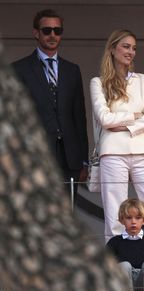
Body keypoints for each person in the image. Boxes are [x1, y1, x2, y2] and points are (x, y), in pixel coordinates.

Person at [90, 29, 144, 262]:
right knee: (114, 216)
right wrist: (135, 117)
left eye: (133, 47)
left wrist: (124, 123)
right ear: (112, 49)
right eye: (126, 46)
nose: (131, 51)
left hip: (143, 152)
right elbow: (104, 119)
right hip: (112, 153)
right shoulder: (98, 83)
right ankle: (117, 270)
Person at [13, 9, 88, 191]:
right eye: (47, 30)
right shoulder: (18, 69)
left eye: (57, 30)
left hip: (69, 158)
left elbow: (79, 117)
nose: (52, 35)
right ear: (36, 33)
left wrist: (84, 160)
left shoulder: (72, 70)